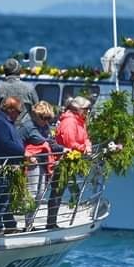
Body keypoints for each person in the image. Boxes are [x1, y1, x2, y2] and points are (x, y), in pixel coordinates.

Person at [47, 96, 92, 229]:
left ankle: (52, 222)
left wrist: (87, 146)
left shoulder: (80, 121)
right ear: (78, 109)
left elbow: (85, 137)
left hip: (71, 160)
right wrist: (83, 148)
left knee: (60, 191)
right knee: (57, 191)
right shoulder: (69, 122)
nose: (88, 111)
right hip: (62, 161)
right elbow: (69, 142)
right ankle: (51, 223)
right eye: (86, 109)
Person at [19, 101, 63, 228]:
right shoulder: (27, 127)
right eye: (44, 118)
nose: (46, 121)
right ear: (36, 115)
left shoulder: (45, 127)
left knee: (40, 193)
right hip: (32, 163)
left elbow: (51, 143)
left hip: (44, 162)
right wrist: (26, 155)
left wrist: (64, 149)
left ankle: (31, 222)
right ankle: (28, 224)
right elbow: (17, 144)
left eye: (48, 118)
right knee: (32, 193)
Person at [0, 96, 26, 234]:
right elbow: (6, 144)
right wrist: (23, 152)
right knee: (1, 197)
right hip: (1, 166)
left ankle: (10, 225)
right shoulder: (0, 123)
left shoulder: (6, 122)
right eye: (18, 111)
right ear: (10, 109)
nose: (19, 115)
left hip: (9, 165)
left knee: (7, 197)